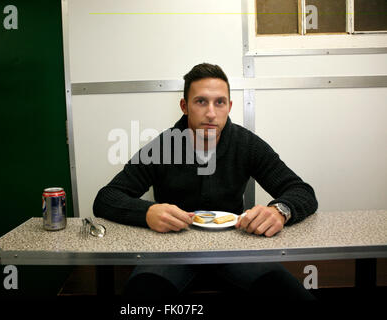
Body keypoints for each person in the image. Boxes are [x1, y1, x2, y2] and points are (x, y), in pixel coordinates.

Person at [93, 63, 318, 301]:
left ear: (229, 107)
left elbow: (302, 191)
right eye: (201, 101)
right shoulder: (162, 146)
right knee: (140, 299)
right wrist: (147, 212)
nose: (211, 113)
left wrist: (280, 211)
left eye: (219, 102)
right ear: (184, 106)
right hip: (172, 249)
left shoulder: (246, 144)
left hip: (234, 247)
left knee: (296, 299)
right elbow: (106, 198)